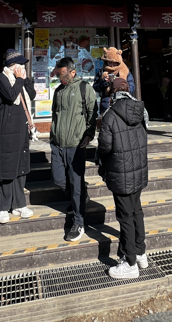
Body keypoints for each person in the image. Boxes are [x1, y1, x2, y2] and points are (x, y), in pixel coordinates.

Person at [98, 77, 149, 278]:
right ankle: (141, 253)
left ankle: (129, 262)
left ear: (113, 93)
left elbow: (104, 147)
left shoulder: (110, 115)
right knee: (137, 211)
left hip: (120, 172)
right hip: (138, 170)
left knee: (125, 217)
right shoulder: (141, 110)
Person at [51, 57, 98, 241]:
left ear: (72, 72)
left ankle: (79, 222)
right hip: (57, 143)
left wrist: (89, 135)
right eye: (58, 74)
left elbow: (92, 113)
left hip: (76, 144)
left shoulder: (84, 88)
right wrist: (53, 135)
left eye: (63, 74)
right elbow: (55, 114)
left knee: (75, 183)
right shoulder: (58, 91)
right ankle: (81, 196)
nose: (60, 77)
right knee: (58, 179)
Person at [0, 49, 36, 223]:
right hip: (7, 129)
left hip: (22, 127)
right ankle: (3, 207)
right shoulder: (1, 79)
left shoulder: (21, 79)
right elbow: (11, 96)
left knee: (20, 167)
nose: (22, 67)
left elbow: (32, 95)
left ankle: (19, 204)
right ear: (12, 65)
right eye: (20, 64)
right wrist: (19, 79)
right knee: (7, 167)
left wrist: (25, 80)